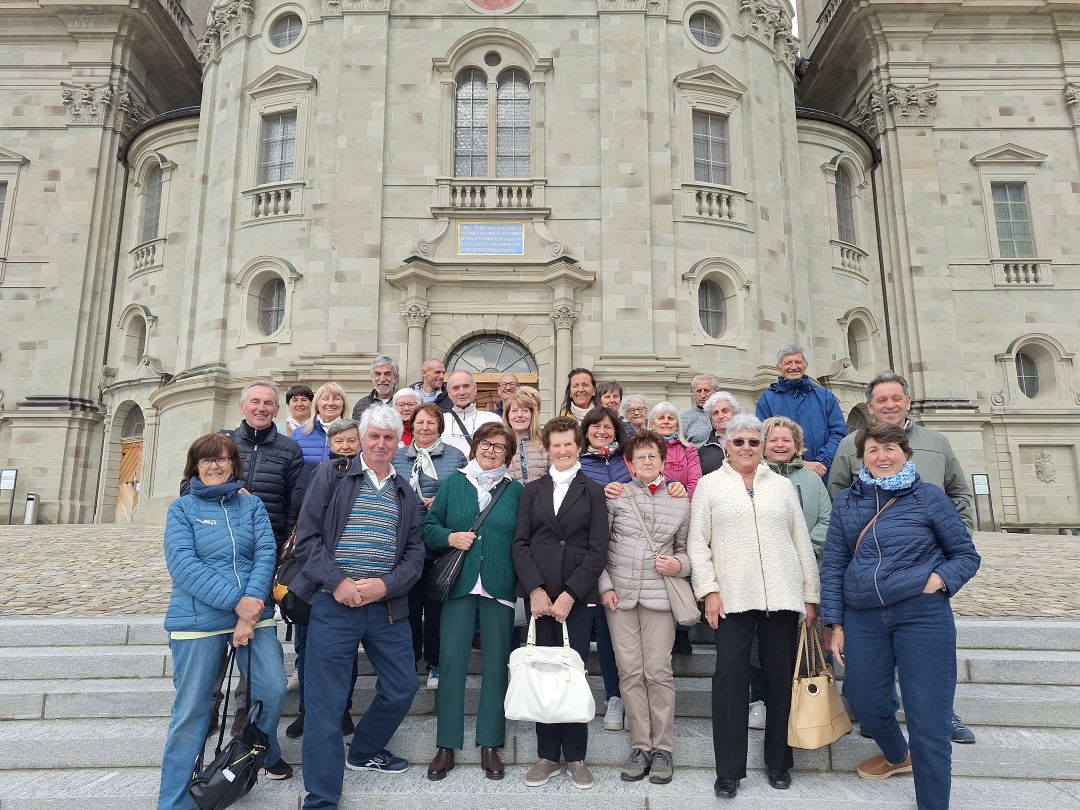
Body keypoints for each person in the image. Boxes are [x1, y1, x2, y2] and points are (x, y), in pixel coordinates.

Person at [823, 423, 981, 810]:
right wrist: (835, 623)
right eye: (873, 449)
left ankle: (932, 803)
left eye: (890, 448)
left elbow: (965, 554)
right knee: (864, 701)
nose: (882, 456)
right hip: (863, 616)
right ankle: (897, 754)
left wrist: (937, 580)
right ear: (863, 457)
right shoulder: (846, 502)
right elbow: (834, 565)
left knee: (928, 719)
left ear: (905, 454)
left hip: (921, 615)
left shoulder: (928, 497)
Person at [291, 405, 424, 809]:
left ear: (398, 441)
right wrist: (340, 583)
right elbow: (307, 541)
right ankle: (321, 797)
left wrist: (386, 585)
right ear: (362, 439)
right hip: (335, 605)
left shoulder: (406, 490)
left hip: (386, 609)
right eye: (374, 436)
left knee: (403, 686)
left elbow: (416, 554)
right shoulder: (331, 476)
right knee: (325, 705)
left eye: (388, 437)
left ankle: (364, 751)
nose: (381, 444)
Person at [688, 414, 820, 799]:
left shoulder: (780, 486)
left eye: (754, 441)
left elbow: (800, 542)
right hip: (732, 598)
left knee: (781, 680)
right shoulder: (710, 486)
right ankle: (728, 770)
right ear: (727, 444)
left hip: (782, 597)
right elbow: (698, 543)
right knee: (729, 680)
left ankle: (779, 762)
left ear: (763, 446)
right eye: (739, 441)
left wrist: (810, 595)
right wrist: (709, 590)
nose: (747, 447)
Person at [158, 433, 290, 810]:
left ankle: (251, 758)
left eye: (223, 459)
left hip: (253, 613)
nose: (214, 465)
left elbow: (266, 553)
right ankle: (175, 802)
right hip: (198, 618)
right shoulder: (181, 509)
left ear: (234, 464)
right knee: (193, 710)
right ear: (195, 467)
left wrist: (251, 609)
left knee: (273, 688)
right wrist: (240, 605)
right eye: (206, 460)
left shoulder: (252, 506)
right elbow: (184, 566)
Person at [422, 422, 524, 782]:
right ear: (475, 446)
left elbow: (522, 540)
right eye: (485, 443)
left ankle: (490, 744)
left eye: (499, 446)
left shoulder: (516, 491)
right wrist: (451, 536)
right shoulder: (454, 482)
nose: (491, 450)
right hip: (459, 584)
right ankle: (446, 744)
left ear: (508, 454)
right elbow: (429, 529)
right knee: (451, 663)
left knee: (497, 664)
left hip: (499, 584)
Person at [512, 416, 609, 791]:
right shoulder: (532, 490)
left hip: (576, 598)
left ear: (578, 447)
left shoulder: (593, 491)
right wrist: (535, 589)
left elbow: (598, 549)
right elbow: (520, 543)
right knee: (543, 673)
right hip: (540, 597)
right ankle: (547, 755)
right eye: (556, 445)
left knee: (572, 674)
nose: (563, 450)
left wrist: (571, 593)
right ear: (547, 448)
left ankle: (577, 757)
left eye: (569, 444)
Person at [599, 430, 691, 786]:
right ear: (629, 463)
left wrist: (678, 565)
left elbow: (689, 551)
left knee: (658, 671)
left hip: (660, 600)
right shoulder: (617, 497)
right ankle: (640, 746)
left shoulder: (681, 500)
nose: (647, 462)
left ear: (663, 460)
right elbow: (600, 548)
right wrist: (604, 587)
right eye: (640, 457)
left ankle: (663, 748)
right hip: (620, 598)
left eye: (653, 456)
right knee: (630, 673)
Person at [287, 418, 365, 740]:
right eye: (339, 442)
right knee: (306, 648)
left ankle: (343, 708)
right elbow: (303, 517)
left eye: (351, 441)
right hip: (313, 574)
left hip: (349, 574)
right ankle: (307, 709)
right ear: (329, 445)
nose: (345, 447)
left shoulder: (368, 479)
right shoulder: (314, 472)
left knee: (346, 649)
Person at [392, 404, 467, 688]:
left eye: (430, 422)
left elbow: (464, 495)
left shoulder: (456, 456)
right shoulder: (399, 457)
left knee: (436, 610)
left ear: (439, 426)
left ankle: (435, 664)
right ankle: (409, 662)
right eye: (420, 422)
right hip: (406, 545)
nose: (425, 427)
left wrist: (444, 504)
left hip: (440, 545)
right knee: (409, 609)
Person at [755, 344, 847, 478]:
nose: (793, 367)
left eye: (798, 362)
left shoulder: (825, 397)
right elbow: (763, 438)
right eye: (788, 363)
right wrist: (799, 463)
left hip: (824, 472)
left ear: (805, 365)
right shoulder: (767, 400)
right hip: (783, 475)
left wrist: (821, 461)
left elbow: (839, 432)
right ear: (779, 367)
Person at [647, 402, 702, 501]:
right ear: (652, 424)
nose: (666, 421)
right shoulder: (642, 449)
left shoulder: (689, 449)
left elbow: (695, 482)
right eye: (661, 418)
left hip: (682, 503)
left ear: (677, 425)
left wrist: (682, 501)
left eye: (670, 418)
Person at [441, 371, 502, 456]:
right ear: (449, 393)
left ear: (475, 389)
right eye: (456, 388)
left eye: (466, 386)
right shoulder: (440, 421)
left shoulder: (493, 419)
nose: (462, 392)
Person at [293, 382, 349, 467]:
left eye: (336, 399)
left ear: (343, 404)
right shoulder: (298, 434)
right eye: (325, 399)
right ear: (317, 404)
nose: (330, 403)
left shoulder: (356, 434)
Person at [502, 391, 549, 484]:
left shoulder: (546, 443)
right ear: (507, 416)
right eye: (514, 411)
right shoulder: (500, 445)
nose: (519, 415)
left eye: (525, 411)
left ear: (532, 415)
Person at [698, 391, 741, 475]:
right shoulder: (703, 450)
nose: (720, 416)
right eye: (715, 413)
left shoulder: (749, 442)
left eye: (725, 411)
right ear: (711, 419)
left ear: (735, 413)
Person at [352, 355, 399, 419]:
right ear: (372, 377)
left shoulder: (406, 402)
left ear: (395, 377)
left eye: (387, 374)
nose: (382, 379)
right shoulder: (361, 405)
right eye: (378, 374)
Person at [680, 373, 719, 447]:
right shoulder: (683, 419)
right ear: (693, 392)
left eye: (706, 390)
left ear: (716, 392)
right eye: (698, 391)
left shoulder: (727, 416)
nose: (702, 395)